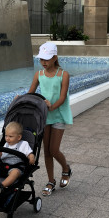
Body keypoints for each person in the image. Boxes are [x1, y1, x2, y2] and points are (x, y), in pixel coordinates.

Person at [28, 42, 73, 195]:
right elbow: (31, 93)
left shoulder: (63, 75)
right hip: (44, 116)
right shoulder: (39, 75)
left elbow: (62, 97)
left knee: (54, 149)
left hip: (58, 115)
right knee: (46, 151)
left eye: (46, 59)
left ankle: (66, 169)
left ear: (55, 57)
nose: (44, 62)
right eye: (41, 59)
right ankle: (51, 181)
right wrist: (21, 99)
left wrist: (52, 107)